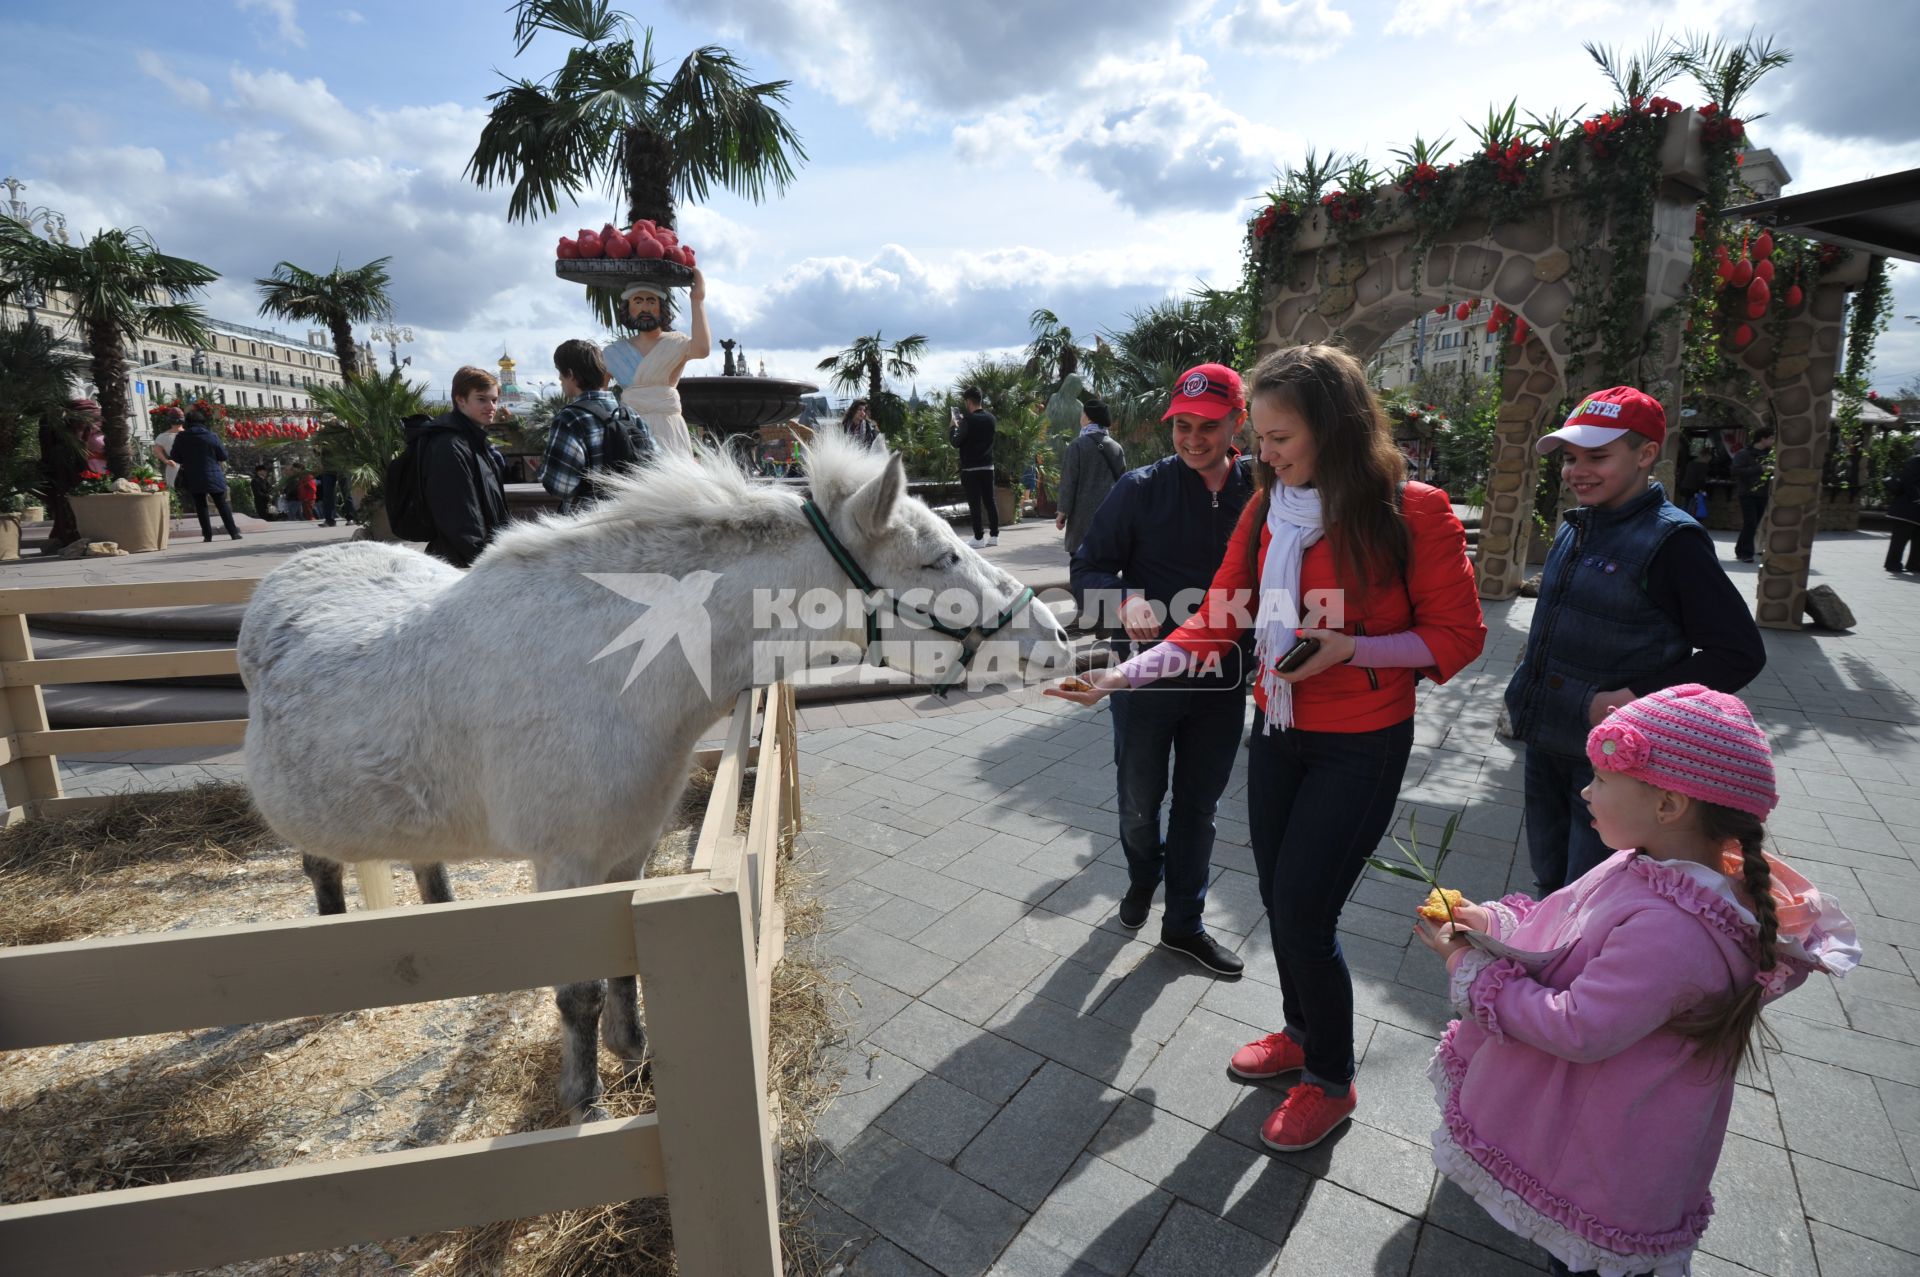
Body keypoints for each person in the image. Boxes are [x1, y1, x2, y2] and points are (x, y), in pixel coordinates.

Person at [1051, 345, 1486, 1151]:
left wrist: (1352, 649)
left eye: (1280, 436)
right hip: (1282, 729)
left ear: (1336, 428)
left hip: (1362, 741)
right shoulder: (1267, 509)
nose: (1264, 452)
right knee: (1281, 897)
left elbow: (1458, 637)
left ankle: (1330, 1076)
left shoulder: (1413, 509)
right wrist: (1118, 678)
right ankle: (1299, 1031)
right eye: (1260, 435)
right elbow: (1213, 621)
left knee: (1303, 910)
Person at [1418, 684, 1858, 1277]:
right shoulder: (1646, 865)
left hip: (1609, 1151)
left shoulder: (1672, 927)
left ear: (1669, 805)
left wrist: (1467, 970)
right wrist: (1494, 922)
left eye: (1601, 779)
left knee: (1585, 1263)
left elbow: (1579, 1027)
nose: (1585, 790)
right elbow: (1568, 932)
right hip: (1601, 1121)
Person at [1506, 388, 1766, 899]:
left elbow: (1739, 652)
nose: (1577, 470)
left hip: (1616, 763)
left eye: (1598, 456)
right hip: (1548, 741)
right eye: (1571, 458)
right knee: (1550, 885)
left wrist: (1633, 699)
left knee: (1593, 896)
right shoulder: (1579, 525)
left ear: (1646, 454)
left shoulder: (1673, 542)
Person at [1065, 366, 1254, 975]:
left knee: (1200, 809)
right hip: (1143, 682)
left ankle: (1184, 925)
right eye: (1182, 425)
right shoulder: (1141, 489)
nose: (1193, 438)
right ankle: (1144, 878)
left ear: (1237, 423)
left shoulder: (1263, 490)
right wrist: (1123, 597)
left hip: (1222, 684)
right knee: (1139, 806)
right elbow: (1087, 565)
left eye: (1208, 426)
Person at [599, 268, 711, 458]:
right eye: (638, 301)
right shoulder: (612, 353)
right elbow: (599, 395)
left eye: (651, 301)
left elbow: (702, 349)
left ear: (661, 306)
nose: (645, 308)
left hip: (669, 429)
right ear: (628, 308)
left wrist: (697, 300)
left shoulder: (675, 343)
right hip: (631, 431)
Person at [541, 338, 655, 514]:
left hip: (588, 524)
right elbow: (655, 464)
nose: (559, 378)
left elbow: (560, 485)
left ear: (570, 374)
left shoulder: (570, 419)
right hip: (631, 517)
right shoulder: (629, 414)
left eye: (560, 372)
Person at [413, 365, 510, 568]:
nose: (491, 407)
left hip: (479, 558)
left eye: (494, 400)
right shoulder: (449, 445)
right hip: (460, 565)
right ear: (460, 400)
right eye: (482, 399)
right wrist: (484, 562)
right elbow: (459, 515)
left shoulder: (473, 440)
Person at [1055, 399, 1126, 556]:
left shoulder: (1077, 445)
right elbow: (1123, 483)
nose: (1080, 417)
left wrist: (1062, 513)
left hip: (1082, 519)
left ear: (1088, 418)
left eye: (1082, 414)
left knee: (1081, 567)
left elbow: (1069, 481)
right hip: (1109, 517)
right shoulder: (1116, 447)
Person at [168, 405, 243, 542]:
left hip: (193, 476)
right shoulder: (211, 436)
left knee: (200, 505)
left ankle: (207, 536)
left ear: (187, 423)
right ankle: (233, 533)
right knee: (221, 504)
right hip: (213, 475)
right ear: (202, 422)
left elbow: (175, 457)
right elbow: (223, 456)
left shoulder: (181, 437)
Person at [40, 398, 99, 549]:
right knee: (65, 504)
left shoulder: (80, 431)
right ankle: (69, 536)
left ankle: (70, 535)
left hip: (73, 472)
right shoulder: (58, 435)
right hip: (64, 472)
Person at [951, 387, 998, 547]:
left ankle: (978, 538)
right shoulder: (992, 419)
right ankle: (994, 536)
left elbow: (956, 442)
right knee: (990, 502)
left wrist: (953, 426)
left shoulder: (967, 421)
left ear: (969, 401)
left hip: (971, 469)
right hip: (988, 466)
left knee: (975, 503)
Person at [1730, 427, 1773, 562]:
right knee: (1750, 522)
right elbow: (1736, 471)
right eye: (1771, 438)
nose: (1773, 441)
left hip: (1762, 493)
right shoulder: (1744, 454)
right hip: (1747, 493)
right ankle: (1747, 553)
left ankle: (1740, 549)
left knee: (1753, 524)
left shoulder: (1770, 455)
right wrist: (1760, 469)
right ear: (1763, 438)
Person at [1886, 447, 1920, 573]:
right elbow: (1908, 481)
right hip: (1907, 508)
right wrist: (1917, 498)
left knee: (1918, 540)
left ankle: (1914, 565)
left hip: (1916, 511)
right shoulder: (1916, 461)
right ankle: (1892, 563)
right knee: (1900, 539)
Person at [150, 406, 184, 490]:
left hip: (173, 465)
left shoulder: (163, 436)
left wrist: (166, 461)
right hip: (189, 465)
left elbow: (156, 451)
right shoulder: (191, 434)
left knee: (174, 491)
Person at [1676, 439, 1710, 519]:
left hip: (1685, 486)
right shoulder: (1703, 466)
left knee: (1684, 505)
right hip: (1693, 488)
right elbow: (1700, 479)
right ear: (1706, 456)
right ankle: (1687, 521)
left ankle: (1680, 520)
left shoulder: (1691, 463)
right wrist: (1702, 489)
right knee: (1691, 507)